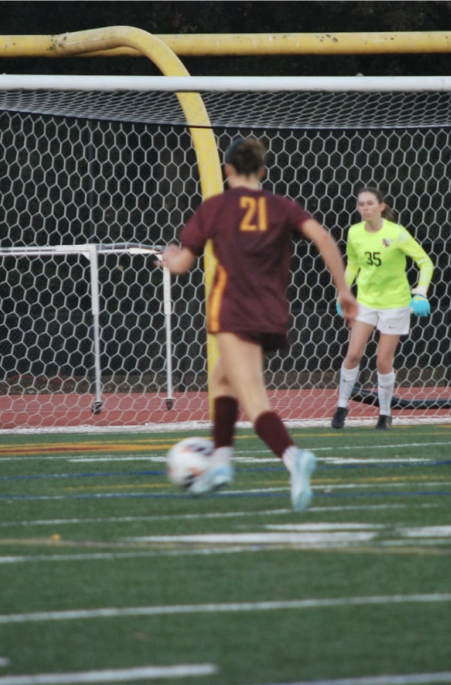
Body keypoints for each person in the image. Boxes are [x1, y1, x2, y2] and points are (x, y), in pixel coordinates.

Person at [159, 137, 358, 512]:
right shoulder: (280, 206)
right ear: (262, 171)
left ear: (228, 170)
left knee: (253, 400)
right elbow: (323, 238)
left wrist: (169, 258)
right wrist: (344, 292)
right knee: (221, 380)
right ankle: (221, 463)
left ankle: (293, 457)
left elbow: (183, 264)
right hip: (271, 313)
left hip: (234, 312)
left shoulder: (216, 206)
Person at [330, 187, 434, 430]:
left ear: (381, 206)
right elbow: (353, 264)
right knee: (353, 353)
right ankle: (342, 406)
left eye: (369, 203)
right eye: (361, 204)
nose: (365, 208)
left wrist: (420, 293)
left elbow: (425, 262)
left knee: (382, 361)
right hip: (366, 302)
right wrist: (342, 294)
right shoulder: (354, 232)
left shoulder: (397, 233)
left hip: (395, 304)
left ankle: (385, 413)